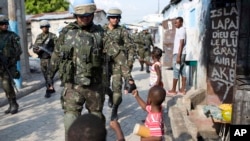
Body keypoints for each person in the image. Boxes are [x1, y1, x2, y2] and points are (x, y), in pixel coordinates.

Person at [50, 0, 106, 139]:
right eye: (81, 16)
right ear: (75, 15)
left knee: (96, 119)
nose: (85, 18)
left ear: (93, 14)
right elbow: (56, 55)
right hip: (72, 85)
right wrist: (50, 78)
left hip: (94, 85)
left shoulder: (101, 33)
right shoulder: (66, 32)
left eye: (88, 15)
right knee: (70, 119)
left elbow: (112, 56)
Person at [103, 7, 136, 121]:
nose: (115, 20)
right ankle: (110, 96)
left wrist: (130, 62)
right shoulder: (102, 31)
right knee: (104, 86)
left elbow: (131, 47)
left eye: (117, 18)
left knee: (117, 88)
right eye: (112, 17)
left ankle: (115, 110)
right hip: (105, 64)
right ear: (108, 18)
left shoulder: (122, 31)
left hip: (118, 64)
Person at [0, 15, 22, 114]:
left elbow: (19, 50)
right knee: (4, 86)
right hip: (0, 65)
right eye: (2, 24)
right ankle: (11, 103)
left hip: (9, 64)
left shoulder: (12, 35)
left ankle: (14, 104)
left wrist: (12, 61)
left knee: (7, 84)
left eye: (6, 23)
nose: (5, 25)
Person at [33, 20, 57, 98]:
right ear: (41, 28)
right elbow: (35, 48)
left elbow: (58, 47)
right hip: (43, 59)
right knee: (45, 75)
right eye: (43, 27)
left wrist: (54, 54)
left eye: (46, 27)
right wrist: (37, 51)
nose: (45, 28)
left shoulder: (53, 36)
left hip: (51, 59)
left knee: (50, 75)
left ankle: (48, 90)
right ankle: (51, 87)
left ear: (48, 27)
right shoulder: (39, 37)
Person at [167, 17, 187, 95]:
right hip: (181, 53)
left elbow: (181, 44)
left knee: (176, 70)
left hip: (179, 54)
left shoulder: (181, 30)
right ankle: (183, 89)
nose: (175, 24)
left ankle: (173, 90)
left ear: (181, 22)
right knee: (182, 70)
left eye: (177, 22)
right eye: (175, 22)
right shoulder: (180, 30)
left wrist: (178, 56)